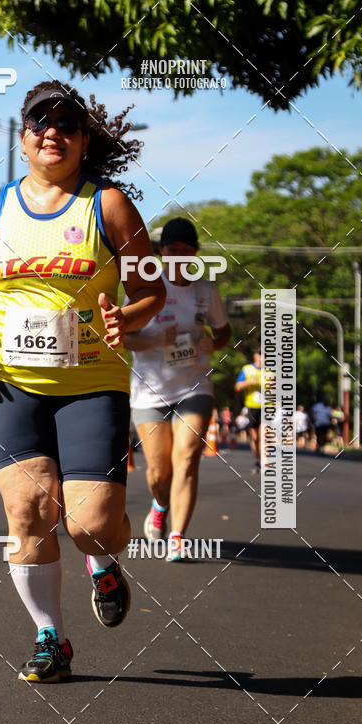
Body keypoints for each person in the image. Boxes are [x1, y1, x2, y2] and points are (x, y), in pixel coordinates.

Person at [0, 81, 165, 683]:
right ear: (23, 138)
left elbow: (151, 290)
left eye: (66, 124)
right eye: (40, 122)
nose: (53, 132)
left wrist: (130, 315)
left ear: (83, 140)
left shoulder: (109, 205)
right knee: (28, 512)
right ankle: (51, 640)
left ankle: (105, 562)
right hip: (4, 378)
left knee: (89, 524)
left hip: (90, 380)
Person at [124, 217, 232, 561]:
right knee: (159, 470)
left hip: (194, 386)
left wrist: (211, 345)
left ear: (196, 253)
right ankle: (159, 504)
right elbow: (123, 336)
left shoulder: (205, 292)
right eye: (172, 250)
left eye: (186, 251)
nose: (179, 256)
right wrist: (154, 338)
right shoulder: (146, 288)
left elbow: (224, 331)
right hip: (149, 389)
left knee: (186, 459)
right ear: (161, 251)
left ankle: (177, 536)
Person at [235, 347, 263, 473]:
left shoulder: (271, 371)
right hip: (252, 407)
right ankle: (258, 460)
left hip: (267, 407)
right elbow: (238, 387)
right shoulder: (247, 369)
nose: (264, 358)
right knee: (255, 437)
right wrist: (248, 382)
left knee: (264, 436)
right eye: (262, 355)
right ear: (256, 356)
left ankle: (264, 462)